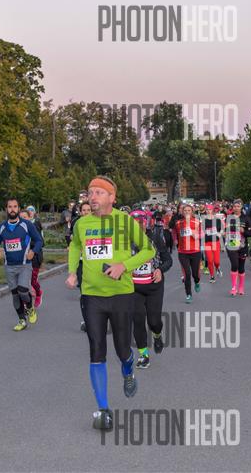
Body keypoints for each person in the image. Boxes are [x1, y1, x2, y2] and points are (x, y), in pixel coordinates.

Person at [65, 176, 155, 430]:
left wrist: (123, 266)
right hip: (92, 295)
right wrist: (72, 272)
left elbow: (148, 250)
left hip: (121, 295)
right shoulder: (82, 223)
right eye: (90, 192)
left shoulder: (125, 221)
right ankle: (103, 409)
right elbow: (75, 246)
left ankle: (128, 369)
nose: (92, 197)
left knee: (122, 350)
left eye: (99, 192)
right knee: (96, 349)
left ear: (112, 197)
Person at [0, 198, 44, 331]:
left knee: (23, 291)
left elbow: (39, 240)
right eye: (10, 207)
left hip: (24, 264)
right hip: (9, 266)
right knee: (15, 294)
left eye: (15, 206)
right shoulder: (1, 227)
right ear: (6, 209)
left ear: (18, 209)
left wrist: (33, 251)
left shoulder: (27, 224)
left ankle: (30, 308)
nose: (12, 209)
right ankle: (22, 320)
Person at [130, 209, 172, 368]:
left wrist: (160, 270)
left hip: (154, 286)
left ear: (146, 223)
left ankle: (157, 334)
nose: (138, 225)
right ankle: (143, 354)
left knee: (154, 322)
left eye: (140, 222)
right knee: (138, 320)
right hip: (134, 287)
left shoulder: (155, 238)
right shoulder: (124, 242)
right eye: (134, 223)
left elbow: (168, 260)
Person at [170, 203, 202, 303]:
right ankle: (188, 294)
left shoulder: (197, 222)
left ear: (192, 212)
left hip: (195, 251)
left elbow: (201, 234)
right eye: (185, 211)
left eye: (189, 210)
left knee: (195, 274)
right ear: (182, 212)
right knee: (187, 274)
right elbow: (174, 232)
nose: (187, 212)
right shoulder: (178, 223)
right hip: (183, 252)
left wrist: (194, 234)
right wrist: (175, 240)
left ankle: (197, 282)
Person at [225, 199, 251, 296]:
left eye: (238, 206)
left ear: (241, 207)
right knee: (234, 265)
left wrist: (243, 231)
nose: (236, 208)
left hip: (242, 245)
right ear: (232, 207)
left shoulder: (246, 218)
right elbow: (224, 230)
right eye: (234, 206)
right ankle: (234, 287)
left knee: (241, 267)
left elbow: (250, 233)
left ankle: (241, 287)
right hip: (232, 244)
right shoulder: (228, 217)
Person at [74, 201, 92, 332]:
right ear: (80, 212)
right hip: (81, 263)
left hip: (94, 264)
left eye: (88, 210)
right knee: (84, 292)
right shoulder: (77, 224)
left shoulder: (97, 224)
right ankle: (87, 320)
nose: (86, 212)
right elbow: (73, 242)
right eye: (83, 210)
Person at [26, 206, 45, 307]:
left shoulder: (36, 224)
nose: (30, 212)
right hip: (23, 256)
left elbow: (40, 241)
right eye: (28, 210)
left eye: (32, 210)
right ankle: (26, 301)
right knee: (23, 280)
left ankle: (38, 293)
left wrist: (32, 248)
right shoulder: (20, 226)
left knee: (33, 280)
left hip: (35, 255)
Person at [201, 204, 223, 282]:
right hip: (207, 242)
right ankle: (212, 276)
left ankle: (217, 267)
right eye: (207, 209)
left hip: (215, 242)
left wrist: (219, 234)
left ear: (212, 210)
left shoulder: (217, 220)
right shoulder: (203, 220)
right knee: (210, 260)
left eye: (210, 209)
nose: (208, 211)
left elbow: (221, 229)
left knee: (216, 261)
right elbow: (202, 231)